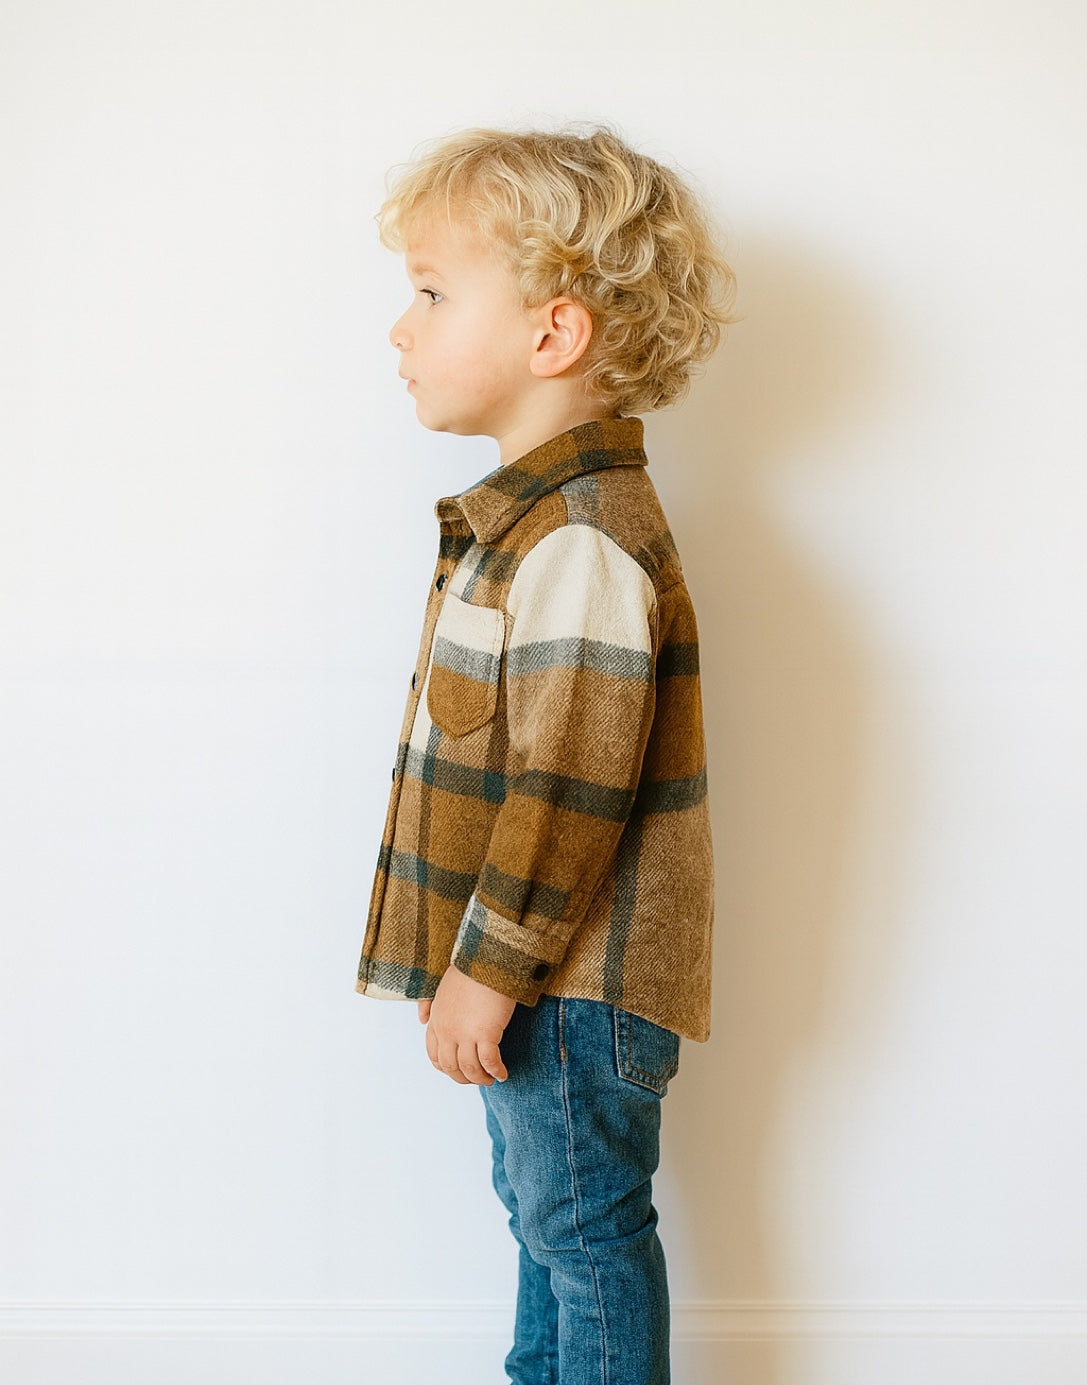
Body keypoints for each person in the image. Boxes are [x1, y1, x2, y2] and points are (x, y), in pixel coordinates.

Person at [356, 126, 735, 1385]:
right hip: (539, 976)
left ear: (553, 334)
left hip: (570, 983)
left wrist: (489, 966)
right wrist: (465, 954)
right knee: (546, 1218)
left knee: (581, 1227)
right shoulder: (524, 526)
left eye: (430, 293)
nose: (400, 328)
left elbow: (566, 794)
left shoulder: (578, 538)